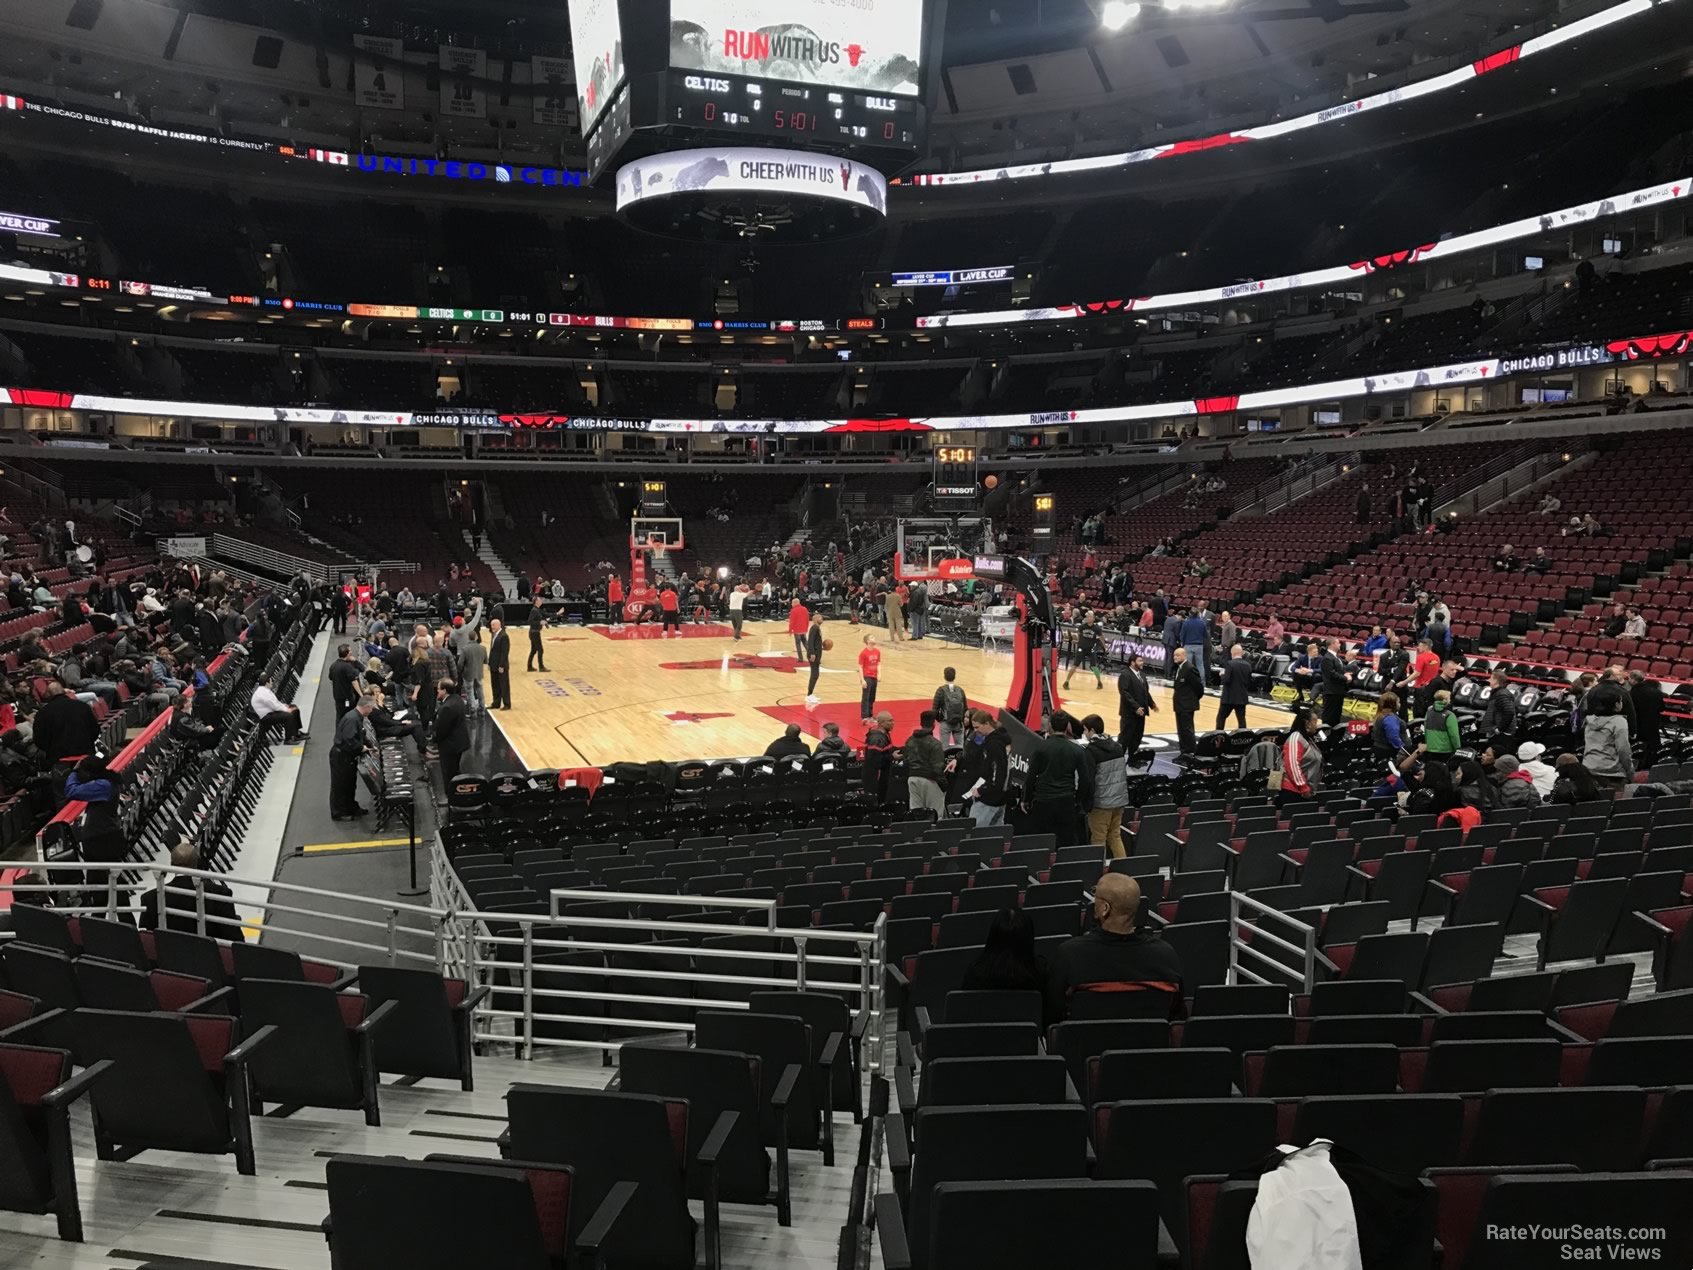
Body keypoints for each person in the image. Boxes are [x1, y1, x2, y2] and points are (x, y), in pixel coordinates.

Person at [1046, 873, 1184, 1022]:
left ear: (1105, 908)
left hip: (1085, 1043)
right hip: (1149, 1043)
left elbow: (1053, 1015)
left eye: (1096, 896)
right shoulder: (1166, 955)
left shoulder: (1070, 954)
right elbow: (1176, 1014)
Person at [140, 840, 246, 941]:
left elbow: (148, 940)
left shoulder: (150, 898)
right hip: (209, 956)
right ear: (197, 864)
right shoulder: (219, 894)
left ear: (172, 864)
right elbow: (234, 937)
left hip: (169, 956)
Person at [962, 908, 1052, 1022]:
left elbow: (964, 1012)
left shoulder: (975, 972)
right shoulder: (1040, 972)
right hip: (1027, 1037)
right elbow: (1049, 1015)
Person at [1024, 711, 1087, 847]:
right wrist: (1077, 801)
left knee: (1042, 843)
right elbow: (1085, 779)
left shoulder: (1040, 747)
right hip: (1066, 801)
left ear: (1050, 726)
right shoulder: (1077, 750)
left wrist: (1026, 799)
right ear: (1067, 727)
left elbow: (1030, 777)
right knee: (1066, 842)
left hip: (1043, 801)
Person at [1081, 714, 1128, 857]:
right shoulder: (1117, 747)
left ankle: (1097, 873)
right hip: (1119, 801)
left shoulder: (1091, 751)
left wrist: (1085, 803)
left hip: (1101, 804)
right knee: (1115, 836)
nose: (1084, 733)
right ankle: (1124, 870)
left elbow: (1088, 780)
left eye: (1085, 730)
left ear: (1092, 730)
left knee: (1098, 840)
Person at [960, 709, 1011, 828]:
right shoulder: (1003, 739)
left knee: (975, 833)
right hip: (1001, 797)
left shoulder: (993, 745)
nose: (975, 731)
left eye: (977, 727)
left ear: (987, 724)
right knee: (996, 837)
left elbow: (997, 773)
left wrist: (981, 790)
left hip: (989, 799)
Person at [33, 681, 99, 766]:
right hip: (86, 756)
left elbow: (39, 740)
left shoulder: (42, 713)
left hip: (59, 761)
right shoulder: (83, 706)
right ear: (64, 691)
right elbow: (95, 731)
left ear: (48, 695)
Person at [329, 697, 375, 820]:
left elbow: (360, 735)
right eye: (371, 708)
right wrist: (362, 748)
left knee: (350, 783)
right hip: (341, 756)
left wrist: (369, 745)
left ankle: (350, 807)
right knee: (341, 785)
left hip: (348, 756)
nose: (372, 710)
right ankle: (339, 812)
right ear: (366, 707)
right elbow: (349, 740)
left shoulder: (356, 717)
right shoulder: (352, 719)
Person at [1582, 688, 1633, 792]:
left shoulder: (1589, 720)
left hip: (1589, 767)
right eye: (1620, 701)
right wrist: (1629, 770)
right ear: (1615, 704)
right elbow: (1623, 749)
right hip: (1612, 773)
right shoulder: (1619, 722)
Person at [904, 711, 948, 815]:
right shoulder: (935, 743)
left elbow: (905, 762)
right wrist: (944, 785)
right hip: (930, 780)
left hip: (912, 778)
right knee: (936, 814)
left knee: (916, 814)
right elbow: (938, 768)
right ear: (933, 724)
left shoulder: (909, 740)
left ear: (921, 723)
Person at [1278, 709, 1324, 806]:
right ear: (1307, 723)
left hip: (1303, 791)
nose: (1317, 725)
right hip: (1292, 792)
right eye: (1315, 721)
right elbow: (1292, 765)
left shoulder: (1307, 739)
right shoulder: (1296, 738)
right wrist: (1304, 788)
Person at [1116, 653, 1155, 757]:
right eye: (1140, 661)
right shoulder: (1125, 674)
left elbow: (1145, 692)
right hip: (1129, 713)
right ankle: (1119, 759)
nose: (1142, 663)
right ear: (1133, 663)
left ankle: (1133, 759)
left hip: (1141, 713)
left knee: (1137, 737)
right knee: (1125, 738)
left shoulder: (1141, 674)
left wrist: (1152, 704)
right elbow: (1124, 693)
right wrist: (1136, 707)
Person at [432, 678, 470, 783]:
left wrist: (434, 739)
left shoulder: (446, 708)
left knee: (449, 774)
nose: (437, 691)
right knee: (455, 770)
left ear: (444, 690)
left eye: (439, 689)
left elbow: (442, 730)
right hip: (459, 742)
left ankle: (451, 795)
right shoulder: (458, 699)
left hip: (450, 746)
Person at [251, 673, 307, 744]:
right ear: (266, 683)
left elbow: (276, 703)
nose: (272, 683)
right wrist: (287, 709)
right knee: (288, 716)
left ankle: (296, 733)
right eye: (271, 681)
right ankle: (288, 739)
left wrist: (285, 706)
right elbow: (274, 706)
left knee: (294, 708)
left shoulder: (265, 690)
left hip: (270, 712)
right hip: (266, 716)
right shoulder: (262, 693)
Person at [1170, 647, 1204, 755]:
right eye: (1174, 655)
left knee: (1187, 730)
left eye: (1178, 655)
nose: (1175, 657)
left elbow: (1199, 687)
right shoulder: (1179, 668)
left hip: (1187, 705)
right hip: (1179, 705)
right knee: (1181, 730)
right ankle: (1183, 751)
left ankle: (1191, 751)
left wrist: (1192, 699)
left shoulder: (1190, 668)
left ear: (1184, 655)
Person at [1630, 670, 1664, 770]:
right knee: (1653, 747)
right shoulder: (1656, 692)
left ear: (1632, 680)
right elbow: (1662, 708)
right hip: (1653, 724)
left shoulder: (1632, 692)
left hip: (1638, 724)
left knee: (1638, 748)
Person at [1478, 668, 1519, 750]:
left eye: (1491, 678)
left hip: (1502, 734)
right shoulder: (1500, 692)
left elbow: (1509, 712)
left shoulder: (1501, 694)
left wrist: (1499, 729)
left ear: (1496, 681)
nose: (1488, 680)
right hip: (1499, 731)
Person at [1215, 642, 1252, 731]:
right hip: (1242, 697)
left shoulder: (1230, 664)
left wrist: (1222, 674)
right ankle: (1244, 738)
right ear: (1241, 653)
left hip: (1229, 697)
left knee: (1221, 718)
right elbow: (1249, 682)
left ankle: (1218, 737)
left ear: (1232, 653)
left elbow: (1226, 680)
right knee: (1241, 720)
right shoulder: (1248, 665)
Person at [1064, 612, 1105, 691]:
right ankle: (1067, 681)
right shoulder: (1082, 627)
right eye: (1087, 617)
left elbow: (1101, 637)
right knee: (1075, 665)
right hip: (1081, 648)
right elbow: (1078, 635)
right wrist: (1077, 641)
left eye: (1090, 617)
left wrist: (1104, 646)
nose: (1088, 618)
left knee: (1094, 666)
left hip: (1091, 648)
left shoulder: (1097, 628)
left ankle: (1099, 682)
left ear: (1093, 618)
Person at [1318, 639, 1352, 728]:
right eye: (1338, 643)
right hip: (1331, 692)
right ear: (1332, 644)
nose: (1340, 644)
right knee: (1328, 718)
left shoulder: (1337, 657)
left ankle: (1333, 739)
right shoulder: (1327, 658)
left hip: (1338, 691)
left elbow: (1338, 671)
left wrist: (1345, 674)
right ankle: (1324, 737)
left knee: (1336, 718)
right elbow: (1331, 674)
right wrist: (1345, 678)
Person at [862, 710, 895, 800]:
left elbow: (886, 750)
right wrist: (892, 756)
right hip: (876, 778)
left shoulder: (884, 734)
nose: (893, 723)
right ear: (881, 723)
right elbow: (875, 761)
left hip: (882, 777)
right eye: (890, 721)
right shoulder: (876, 738)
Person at [933, 667, 969, 746]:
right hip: (958, 723)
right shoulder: (960, 690)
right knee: (960, 747)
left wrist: (940, 719)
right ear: (955, 677)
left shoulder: (940, 690)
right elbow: (966, 709)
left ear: (944, 676)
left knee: (944, 747)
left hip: (946, 722)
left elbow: (934, 709)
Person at [328, 642, 362, 719]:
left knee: (339, 715)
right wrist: (361, 694)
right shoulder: (347, 667)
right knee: (349, 716)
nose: (351, 652)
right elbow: (354, 681)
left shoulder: (333, 665)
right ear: (347, 653)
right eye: (350, 651)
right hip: (347, 697)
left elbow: (331, 680)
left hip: (337, 696)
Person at [1423, 689, 1461, 755]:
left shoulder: (1428, 712)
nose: (1450, 700)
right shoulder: (1450, 715)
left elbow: (1425, 729)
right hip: (1445, 750)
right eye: (1449, 698)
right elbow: (1454, 735)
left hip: (1430, 748)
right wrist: (1457, 748)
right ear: (1445, 700)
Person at [1179, 605, 1211, 684]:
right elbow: (1206, 635)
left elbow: (1182, 635)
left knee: (1187, 665)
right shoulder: (1202, 623)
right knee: (1200, 665)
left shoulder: (1186, 622)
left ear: (1190, 614)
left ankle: (1187, 681)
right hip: (1199, 646)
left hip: (1188, 645)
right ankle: (1202, 682)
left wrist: (1182, 644)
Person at [1371, 692, 1406, 760]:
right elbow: (1393, 737)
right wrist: (1403, 749)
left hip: (1380, 749)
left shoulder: (1381, 714)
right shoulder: (1390, 718)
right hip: (1389, 752)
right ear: (1392, 704)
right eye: (1398, 702)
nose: (1400, 704)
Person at [486, 618, 511, 710]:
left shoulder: (504, 636)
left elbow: (505, 652)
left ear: (498, 625)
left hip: (501, 666)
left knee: (504, 685)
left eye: (493, 625)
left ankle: (507, 704)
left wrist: (501, 665)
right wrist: (489, 663)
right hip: (493, 664)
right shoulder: (494, 635)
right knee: (495, 684)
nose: (491, 627)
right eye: (491, 625)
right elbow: (492, 650)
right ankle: (496, 703)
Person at [1289, 642, 1320, 707]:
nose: (1316, 653)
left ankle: (1312, 698)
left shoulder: (1320, 658)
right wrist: (1299, 671)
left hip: (1314, 677)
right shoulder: (1302, 657)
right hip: (1304, 676)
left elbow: (1321, 669)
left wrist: (1309, 670)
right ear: (1309, 652)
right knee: (1295, 674)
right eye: (1315, 652)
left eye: (1317, 651)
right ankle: (1300, 695)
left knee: (1317, 676)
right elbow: (1293, 668)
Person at [857, 634, 881, 718]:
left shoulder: (877, 651)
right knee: (866, 697)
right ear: (868, 641)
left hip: (874, 676)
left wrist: (879, 674)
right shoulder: (863, 653)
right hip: (867, 676)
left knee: (872, 697)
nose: (874, 638)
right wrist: (862, 679)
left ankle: (870, 714)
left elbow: (878, 663)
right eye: (872, 637)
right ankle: (864, 716)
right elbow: (860, 666)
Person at [526, 606, 547, 673]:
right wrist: (540, 623)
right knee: (540, 650)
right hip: (534, 633)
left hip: (534, 632)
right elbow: (529, 621)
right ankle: (541, 667)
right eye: (539, 599)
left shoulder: (537, 610)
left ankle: (529, 667)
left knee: (533, 650)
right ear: (536, 602)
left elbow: (544, 616)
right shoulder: (534, 610)